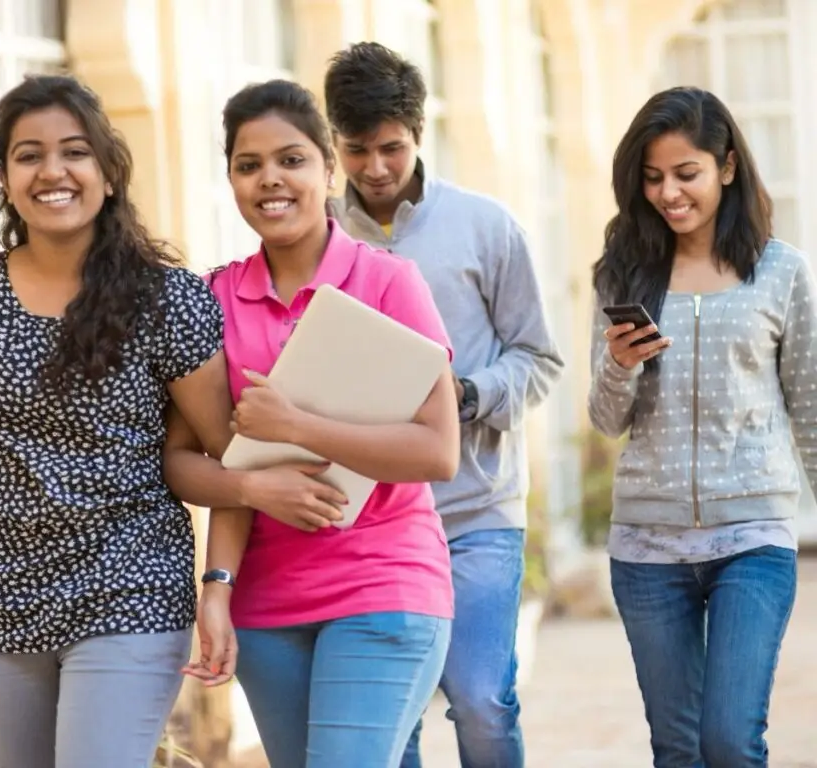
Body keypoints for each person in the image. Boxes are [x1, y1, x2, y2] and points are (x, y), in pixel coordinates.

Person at [0, 74, 234, 768]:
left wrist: (216, 589)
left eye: (75, 152)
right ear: (4, 176)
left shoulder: (168, 299)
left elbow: (232, 457)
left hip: (128, 585)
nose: (53, 171)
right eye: (28, 155)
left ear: (108, 171)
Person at [162, 79, 459, 768]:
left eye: (291, 160)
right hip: (266, 607)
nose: (271, 179)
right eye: (248, 164)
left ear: (329, 169)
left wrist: (295, 425)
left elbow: (438, 449)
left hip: (386, 584)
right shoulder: (211, 299)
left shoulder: (388, 283)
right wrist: (250, 504)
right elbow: (181, 461)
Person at [323, 42, 564, 768]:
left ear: (419, 134)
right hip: (369, 524)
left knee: (484, 703)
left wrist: (470, 394)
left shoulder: (487, 227)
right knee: (393, 725)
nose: (374, 168)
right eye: (356, 149)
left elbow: (540, 358)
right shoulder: (317, 238)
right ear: (334, 141)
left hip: (476, 512)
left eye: (391, 148)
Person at [588, 86, 814, 767]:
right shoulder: (625, 274)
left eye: (685, 174)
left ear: (725, 166)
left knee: (729, 741)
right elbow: (604, 420)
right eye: (652, 178)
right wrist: (619, 366)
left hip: (753, 539)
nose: (667, 193)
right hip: (647, 550)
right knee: (678, 748)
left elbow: (810, 404)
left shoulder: (781, 272)